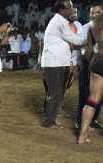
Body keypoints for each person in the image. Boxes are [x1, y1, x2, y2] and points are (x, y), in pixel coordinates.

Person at [41, 0, 87, 129]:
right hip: (54, 63)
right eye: (69, 8)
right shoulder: (59, 23)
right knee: (55, 93)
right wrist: (92, 37)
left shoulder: (61, 22)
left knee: (58, 92)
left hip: (57, 63)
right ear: (62, 11)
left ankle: (51, 119)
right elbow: (76, 40)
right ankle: (48, 121)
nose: (72, 10)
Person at [75, 2, 103, 129]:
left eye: (98, 12)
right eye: (92, 12)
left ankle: (93, 120)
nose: (94, 15)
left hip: (97, 64)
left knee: (99, 96)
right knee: (85, 93)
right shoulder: (84, 28)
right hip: (87, 64)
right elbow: (77, 49)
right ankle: (80, 122)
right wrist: (75, 64)